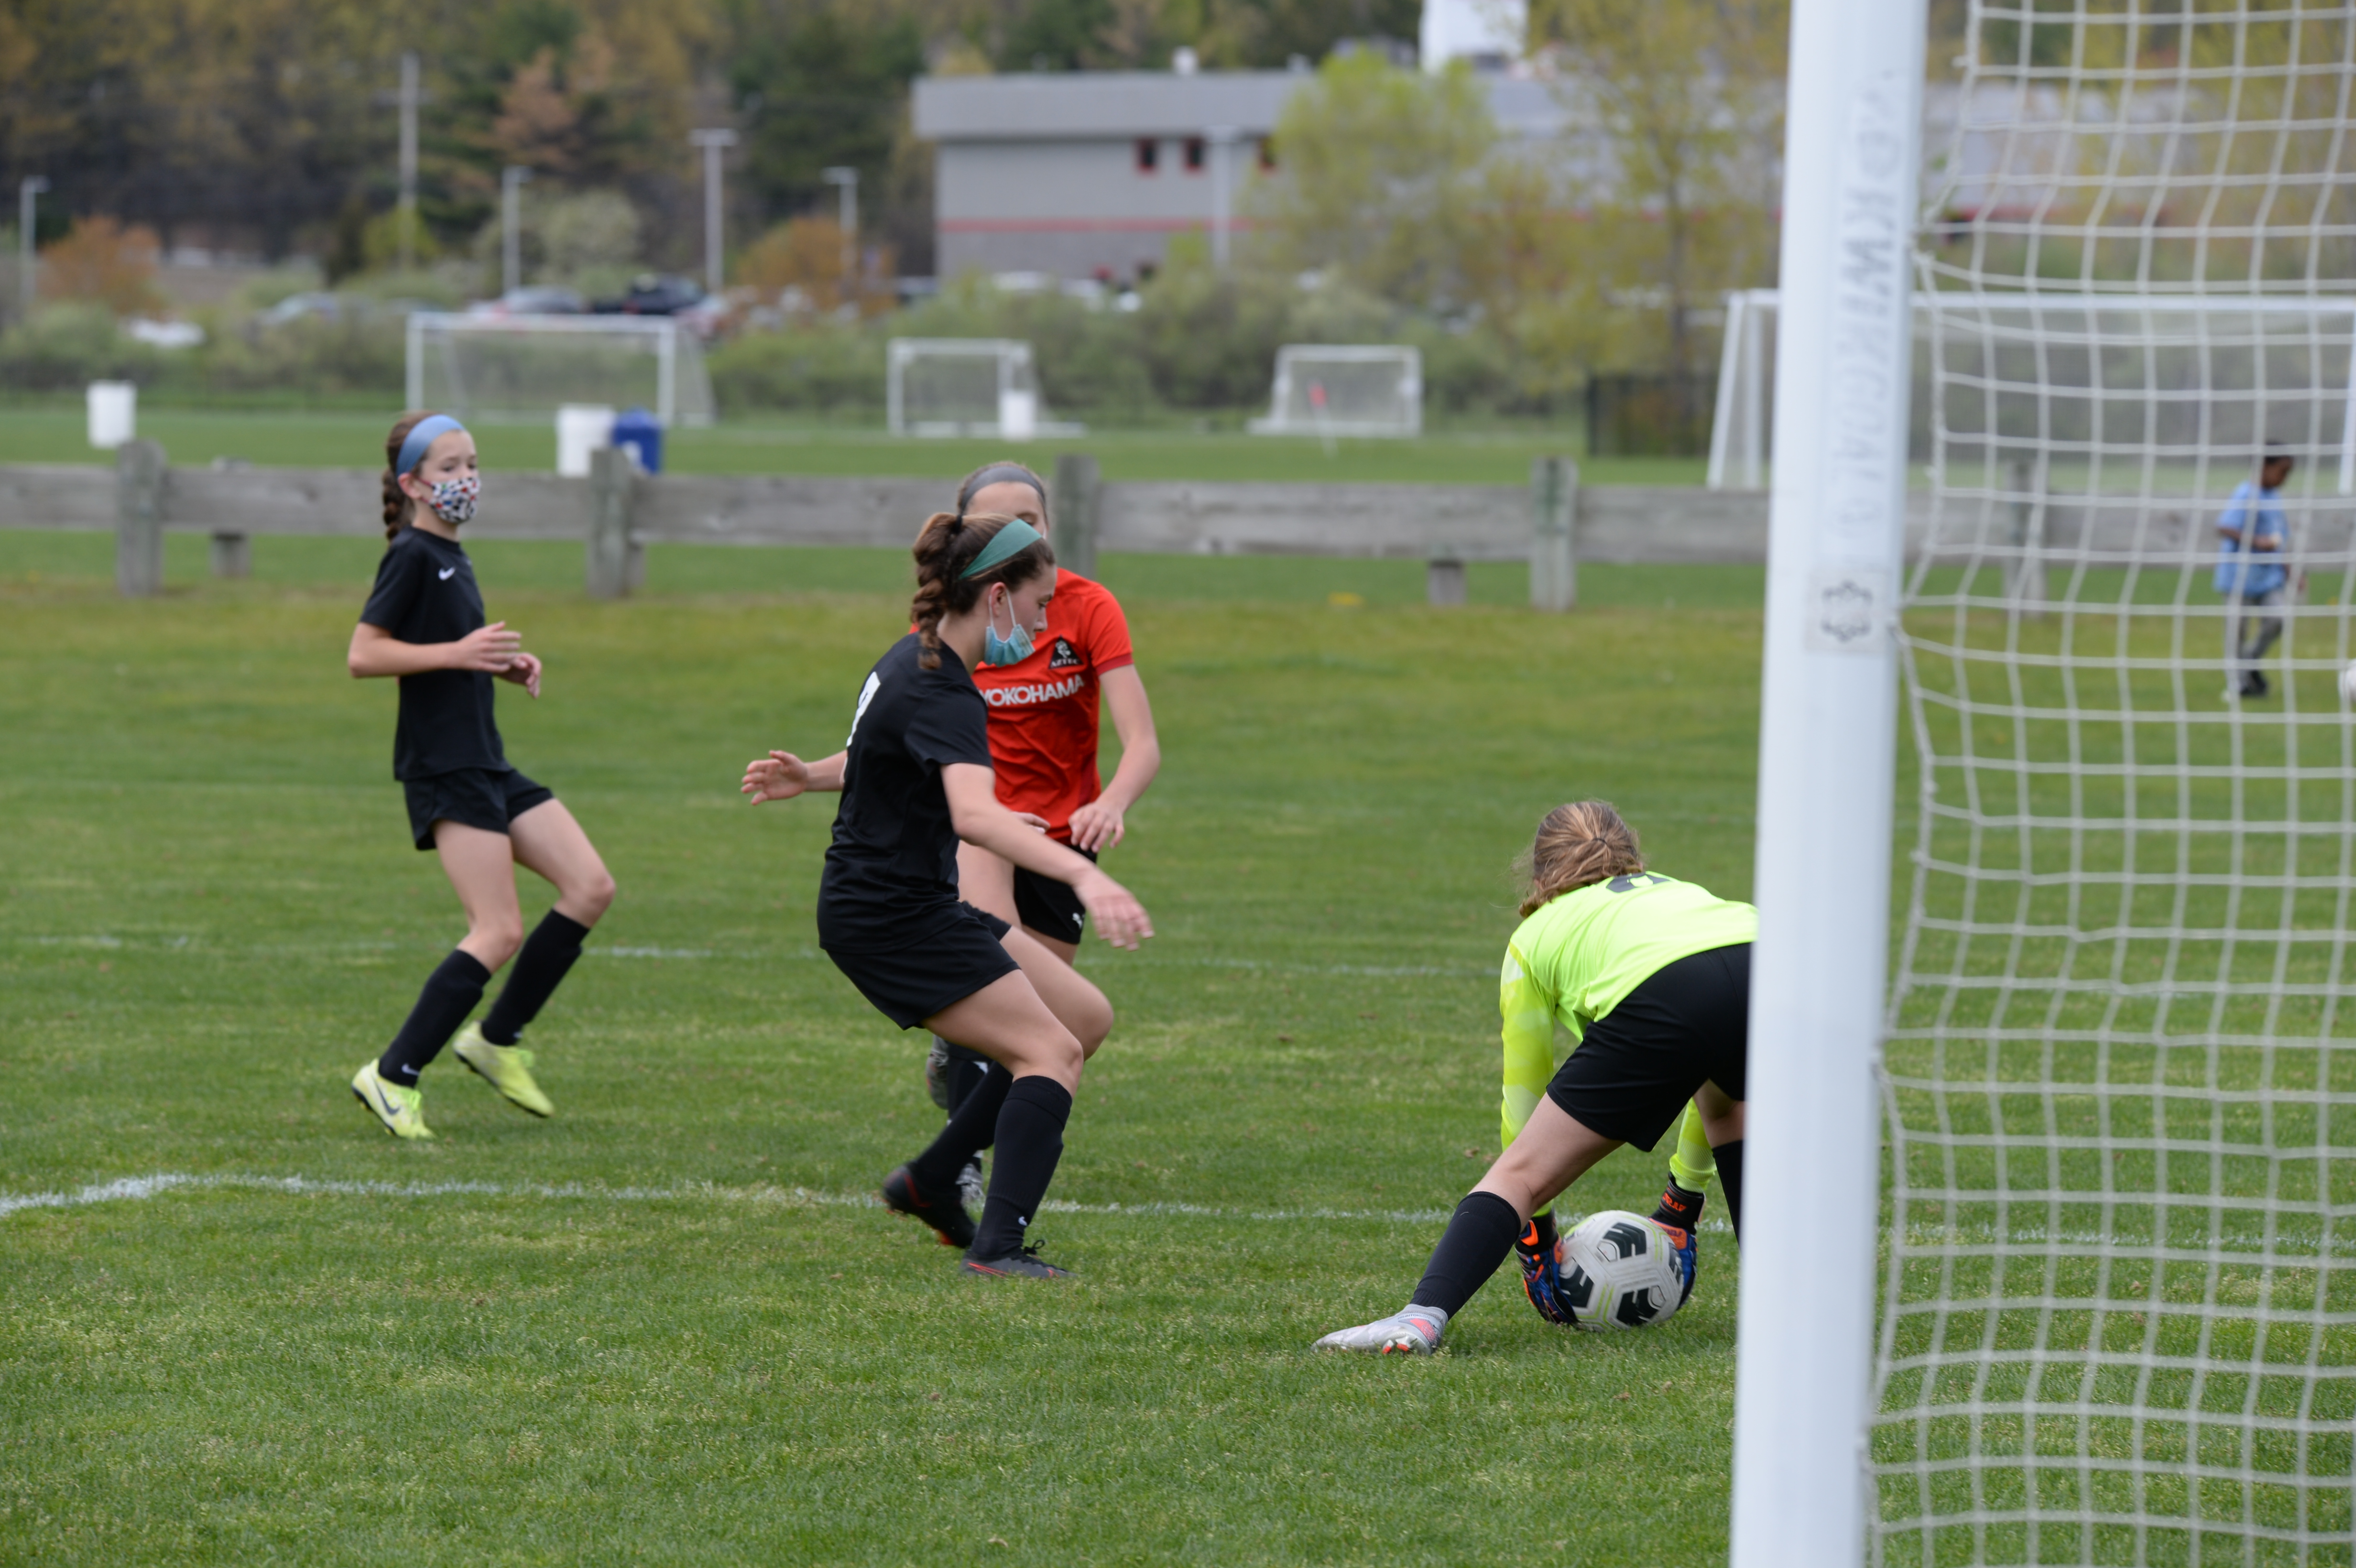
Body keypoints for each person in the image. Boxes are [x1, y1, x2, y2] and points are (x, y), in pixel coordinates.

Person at [741, 511, 1153, 1278]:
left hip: (913, 901)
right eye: (1036, 605)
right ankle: (997, 1251)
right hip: (889, 916)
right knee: (1050, 1052)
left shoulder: (915, 660)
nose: (1040, 625)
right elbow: (972, 817)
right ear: (996, 597)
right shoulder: (945, 688)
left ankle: (931, 1180)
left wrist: (810, 777)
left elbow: (885, 758)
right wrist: (1084, 873)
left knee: (1084, 1018)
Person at [1317, 802, 1751, 1353]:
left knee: (1518, 1173)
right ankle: (1791, 1307)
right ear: (1631, 855)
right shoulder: (1678, 893)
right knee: (1732, 1110)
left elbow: (1521, 1100)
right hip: (1767, 958)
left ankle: (1419, 1318)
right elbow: (1715, 1089)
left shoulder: (1537, 932)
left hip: (1669, 990)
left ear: (1541, 872)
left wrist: (1535, 1236)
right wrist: (1679, 1208)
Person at [346, 412, 617, 1140]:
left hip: (487, 759)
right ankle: (392, 1074)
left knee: (590, 886)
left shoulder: (450, 554)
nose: (466, 478)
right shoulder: (412, 554)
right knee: (496, 930)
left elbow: (446, 649)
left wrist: (497, 663)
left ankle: (496, 1040)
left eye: (471, 464)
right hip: (446, 766)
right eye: (449, 468)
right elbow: (364, 654)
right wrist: (459, 653)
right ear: (412, 484)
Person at [918, 462, 1162, 1212]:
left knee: (1045, 1022)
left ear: (1050, 526)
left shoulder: (1085, 606)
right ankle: (962, 1168)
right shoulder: (952, 618)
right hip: (982, 827)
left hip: (1062, 838)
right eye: (999, 521)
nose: (1020, 532)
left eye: (1031, 519)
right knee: (996, 978)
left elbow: (1143, 742)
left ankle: (959, 1115)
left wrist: (1112, 802)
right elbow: (914, 727)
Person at [2215, 446, 2295, 700]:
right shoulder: (2245, 493)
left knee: (2278, 619)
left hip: (2269, 577)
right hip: (2239, 576)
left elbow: (2280, 538)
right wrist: (2257, 541)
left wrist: (2289, 568)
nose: (2285, 478)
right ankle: (2238, 685)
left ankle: (2249, 661)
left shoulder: (2275, 497)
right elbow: (2225, 527)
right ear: (2265, 467)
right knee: (2237, 630)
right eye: (2282, 472)